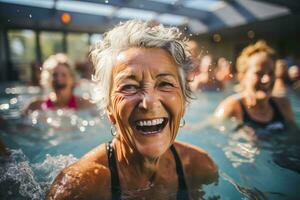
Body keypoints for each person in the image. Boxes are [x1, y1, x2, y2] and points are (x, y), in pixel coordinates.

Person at [46, 20, 218, 200]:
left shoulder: (200, 168)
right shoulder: (81, 187)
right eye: (129, 87)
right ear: (109, 107)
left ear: (183, 101)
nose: (149, 103)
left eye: (165, 84)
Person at [214, 41, 296, 136]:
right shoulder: (231, 108)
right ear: (242, 77)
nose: (267, 79)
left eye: (271, 73)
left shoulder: (283, 105)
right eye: (259, 73)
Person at [23, 53, 94, 114]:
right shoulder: (35, 106)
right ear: (48, 79)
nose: (59, 79)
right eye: (54, 75)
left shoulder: (86, 105)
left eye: (64, 75)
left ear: (72, 80)